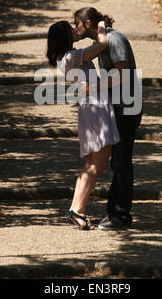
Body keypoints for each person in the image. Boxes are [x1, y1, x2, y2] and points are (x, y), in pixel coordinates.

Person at [46, 20, 120, 230]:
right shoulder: (71, 58)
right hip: (95, 108)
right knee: (97, 164)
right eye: (71, 28)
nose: (74, 30)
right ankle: (77, 211)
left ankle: (75, 209)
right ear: (64, 37)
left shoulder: (66, 58)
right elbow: (101, 46)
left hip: (92, 106)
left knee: (91, 163)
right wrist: (102, 26)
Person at [74, 7, 142, 230]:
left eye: (77, 24)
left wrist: (92, 86)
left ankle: (119, 216)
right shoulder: (104, 41)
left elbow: (123, 73)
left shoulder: (114, 39)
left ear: (87, 23)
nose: (76, 28)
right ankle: (116, 214)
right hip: (119, 107)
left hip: (127, 108)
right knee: (118, 162)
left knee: (121, 162)